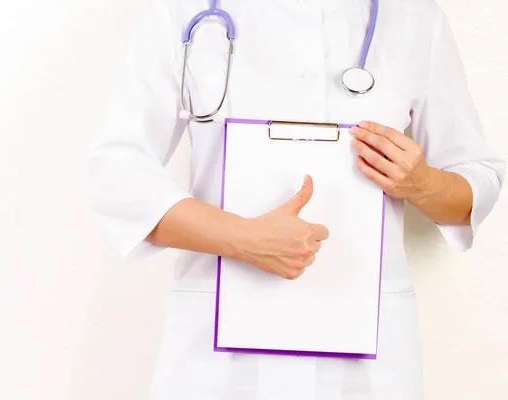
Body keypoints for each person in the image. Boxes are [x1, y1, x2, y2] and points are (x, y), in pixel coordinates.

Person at [88, 0, 505, 398]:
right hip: (217, 356)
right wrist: (243, 238)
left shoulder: (414, 17)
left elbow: (479, 179)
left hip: (368, 355)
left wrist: (422, 184)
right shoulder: (186, 11)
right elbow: (117, 172)